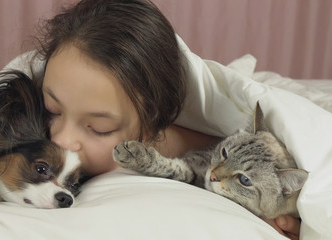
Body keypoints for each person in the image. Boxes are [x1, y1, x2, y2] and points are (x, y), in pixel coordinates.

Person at [31, 0, 301, 239]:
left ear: (150, 128)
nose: (61, 139)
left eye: (99, 128)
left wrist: (272, 209)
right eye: (52, 108)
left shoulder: (197, 144)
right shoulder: (34, 97)